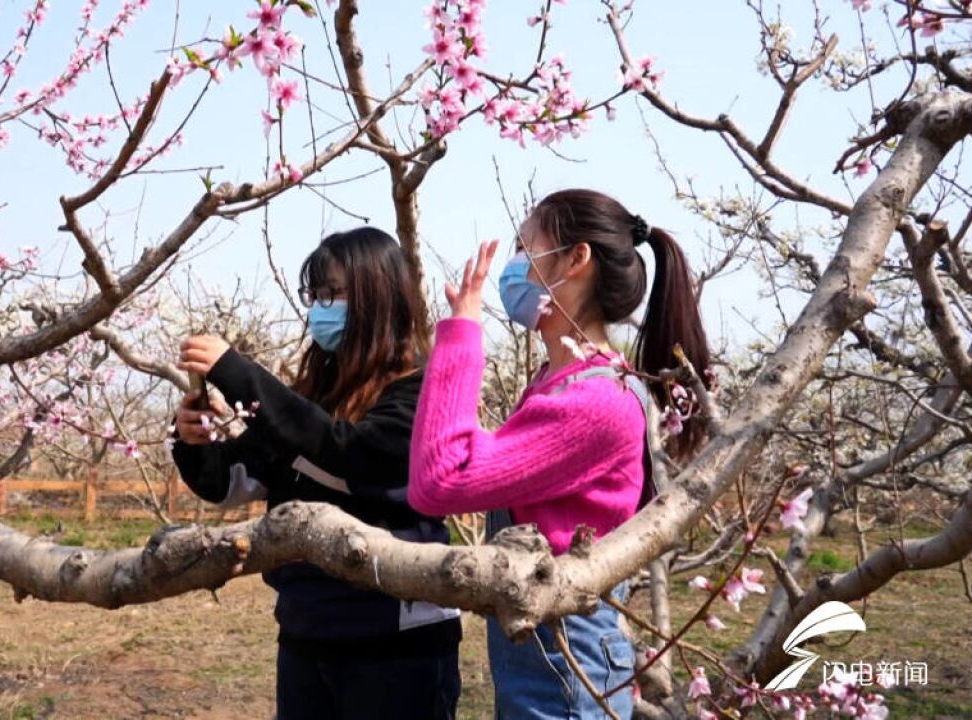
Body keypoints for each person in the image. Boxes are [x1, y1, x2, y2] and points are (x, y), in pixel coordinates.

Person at [408, 189, 711, 719]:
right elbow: (474, 461)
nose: (512, 268)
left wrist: (462, 335)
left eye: (526, 248)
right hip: (545, 654)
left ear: (576, 259)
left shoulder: (596, 399)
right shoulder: (563, 383)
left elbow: (440, 481)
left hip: (563, 666)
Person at [170, 226, 462, 720]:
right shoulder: (313, 398)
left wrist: (242, 375)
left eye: (333, 293)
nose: (320, 307)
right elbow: (234, 479)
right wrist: (192, 442)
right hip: (307, 633)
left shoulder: (421, 388)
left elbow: (352, 454)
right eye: (316, 294)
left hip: (396, 641)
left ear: (377, 295)